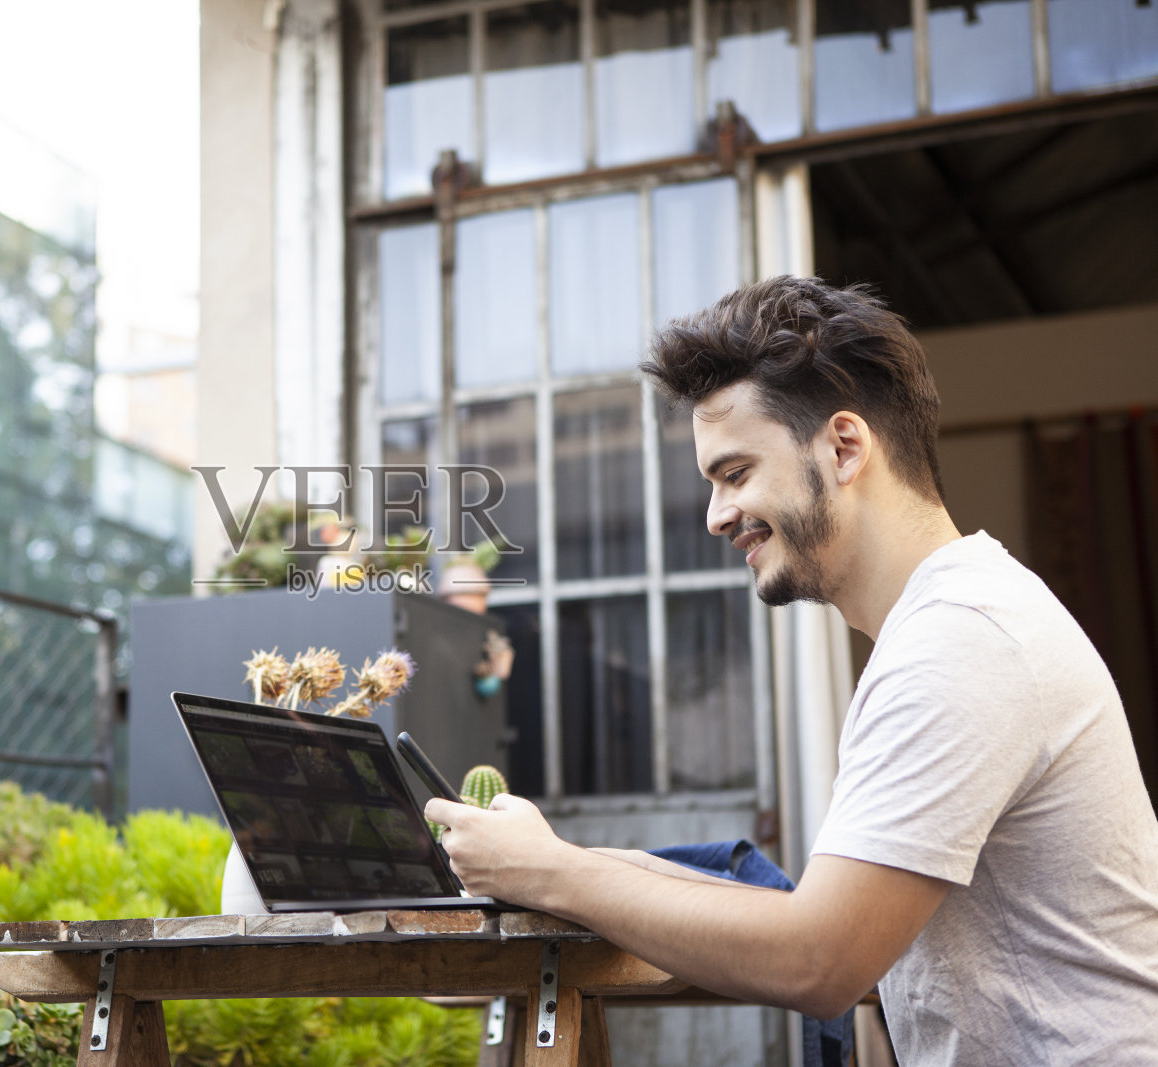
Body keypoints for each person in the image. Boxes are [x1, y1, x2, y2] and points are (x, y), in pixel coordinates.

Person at [425, 276, 1158, 1065]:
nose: (714, 515)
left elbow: (819, 957)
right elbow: (815, 910)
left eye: (735, 473)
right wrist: (562, 864)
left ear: (844, 447)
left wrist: (556, 876)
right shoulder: (954, 619)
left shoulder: (962, 640)